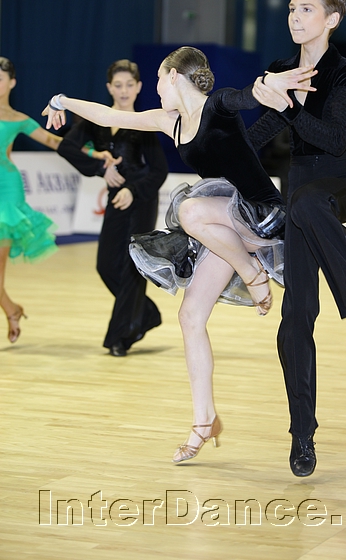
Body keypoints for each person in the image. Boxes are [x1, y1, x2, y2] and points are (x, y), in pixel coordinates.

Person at [43, 46, 316, 463]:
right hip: (222, 228)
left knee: (188, 209)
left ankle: (252, 273)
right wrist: (61, 100)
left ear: (174, 76)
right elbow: (109, 115)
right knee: (189, 317)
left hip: (259, 215)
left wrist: (271, 82)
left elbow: (248, 95)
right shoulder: (168, 121)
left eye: (157, 77)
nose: (154, 86)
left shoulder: (217, 106)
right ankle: (204, 421)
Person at [247, 0, 346, 478]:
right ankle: (302, 435)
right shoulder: (281, 71)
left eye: (306, 9)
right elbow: (258, 134)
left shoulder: (343, 72)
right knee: (295, 319)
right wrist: (215, 146)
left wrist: (289, 103)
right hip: (301, 194)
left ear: (331, 19)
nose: (295, 16)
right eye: (292, 8)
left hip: (340, 184)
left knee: (307, 203)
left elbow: (333, 139)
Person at [57, 59, 168, 357]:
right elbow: (66, 147)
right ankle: (145, 314)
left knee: (132, 266)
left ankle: (121, 336)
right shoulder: (97, 121)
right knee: (105, 265)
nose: (124, 90)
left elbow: (159, 171)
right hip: (116, 197)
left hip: (141, 199)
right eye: (118, 85)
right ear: (109, 88)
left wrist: (133, 190)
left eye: (129, 85)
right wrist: (99, 168)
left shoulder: (144, 122)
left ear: (139, 87)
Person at [0, 56, 111, 343]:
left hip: (6, 195)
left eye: (0, 78)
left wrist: (92, 153)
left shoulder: (19, 119)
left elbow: (54, 141)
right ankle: (12, 309)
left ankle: (11, 310)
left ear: (12, 83)